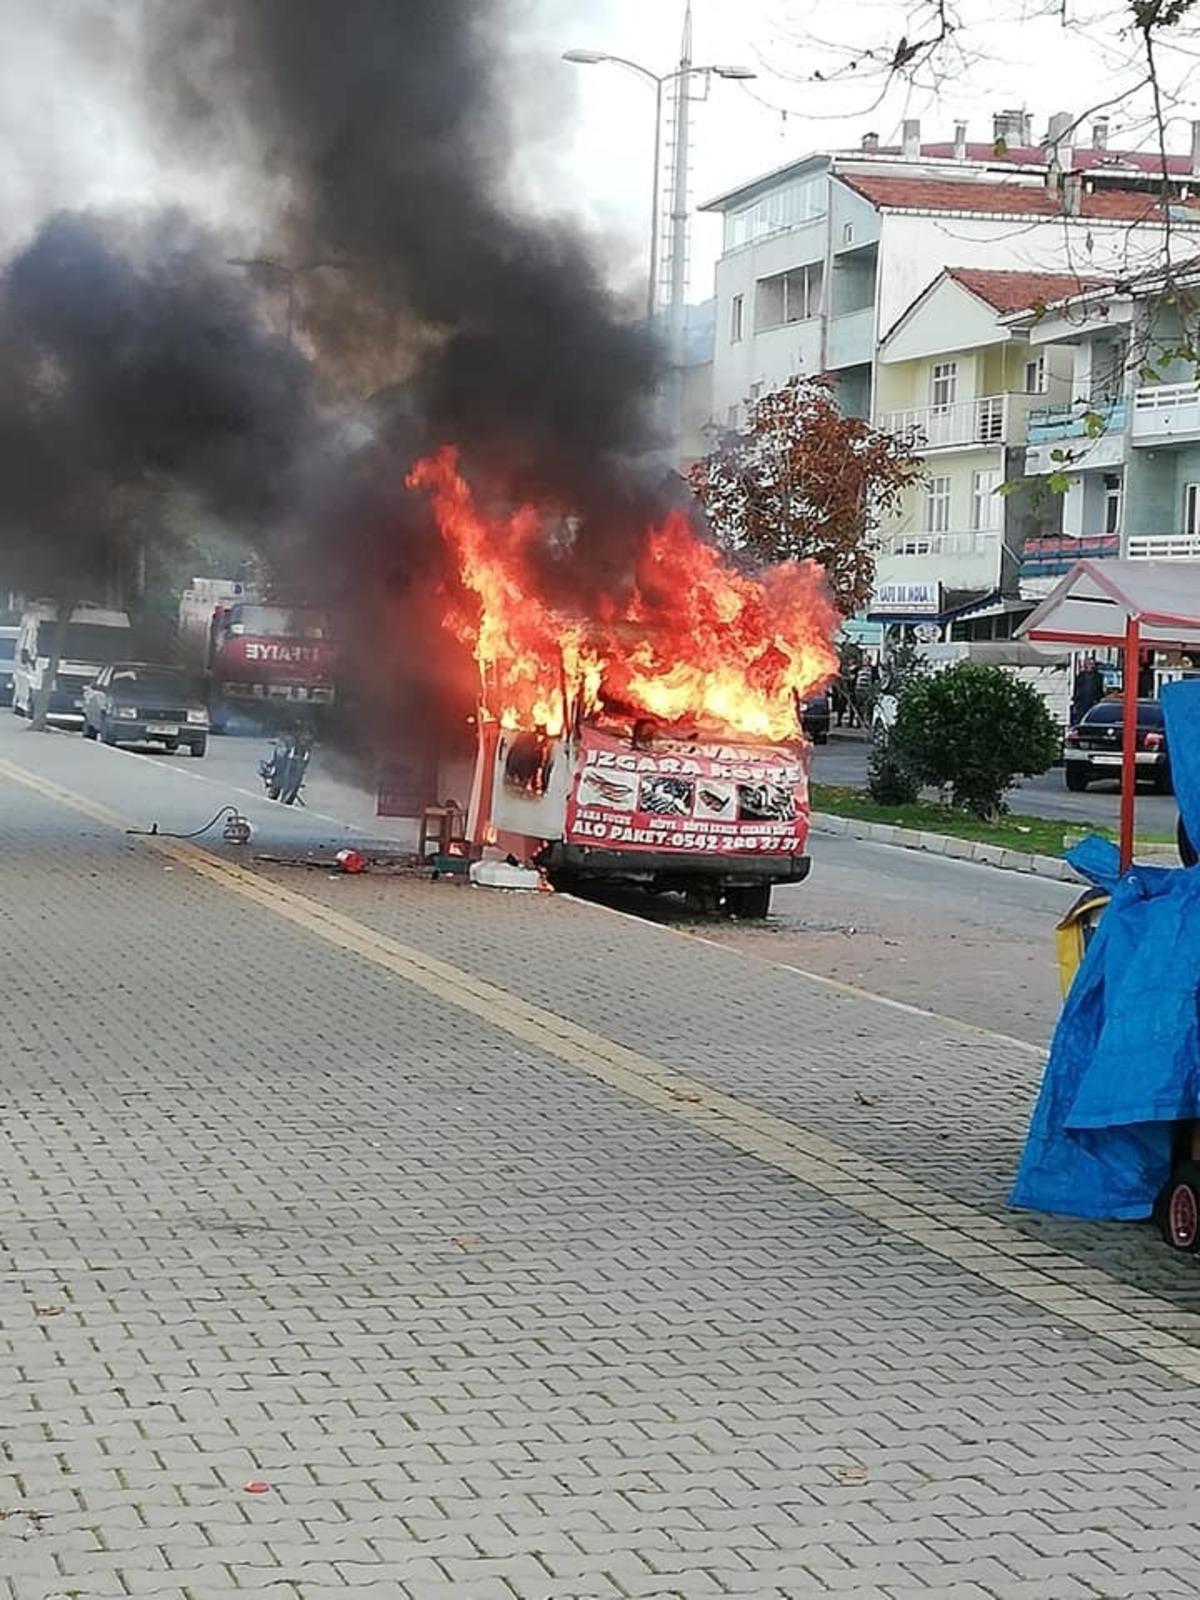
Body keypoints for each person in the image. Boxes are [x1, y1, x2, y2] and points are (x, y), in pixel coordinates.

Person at [1071, 655, 1104, 725]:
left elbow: (1100, 689)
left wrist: (1099, 699)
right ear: (1085, 665)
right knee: (1080, 719)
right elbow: (1076, 689)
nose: (1090, 666)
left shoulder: (1099, 676)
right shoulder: (1080, 676)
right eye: (1089, 664)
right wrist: (1075, 701)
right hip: (1081, 703)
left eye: (1092, 664)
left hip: (1093, 702)